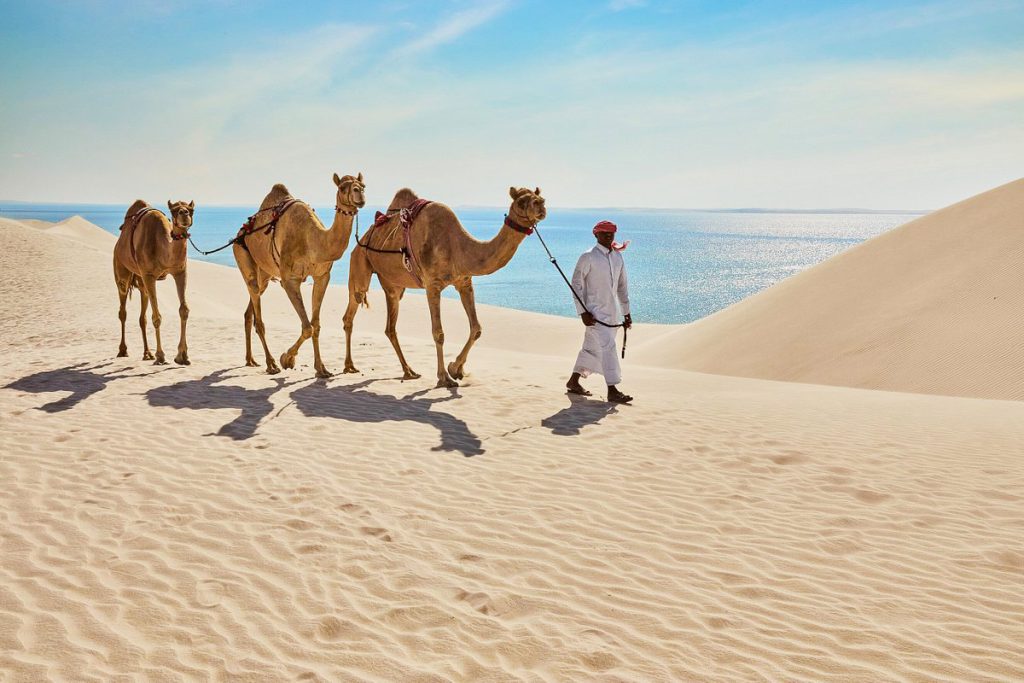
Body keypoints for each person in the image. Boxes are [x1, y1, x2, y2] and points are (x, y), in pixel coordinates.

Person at [565, 220, 633, 403]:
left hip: (612, 315)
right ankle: (612, 389)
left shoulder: (618, 257)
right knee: (608, 348)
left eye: (611, 233)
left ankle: (573, 381)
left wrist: (626, 313)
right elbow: (576, 284)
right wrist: (582, 312)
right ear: (596, 235)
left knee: (590, 349)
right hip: (594, 316)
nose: (608, 236)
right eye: (604, 233)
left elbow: (622, 287)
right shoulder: (588, 256)